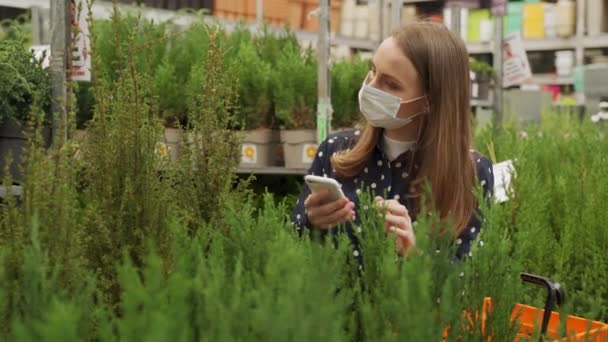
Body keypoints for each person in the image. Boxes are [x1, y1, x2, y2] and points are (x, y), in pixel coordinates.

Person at [292, 22, 494, 261]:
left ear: (431, 100)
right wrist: (310, 221)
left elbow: (469, 281)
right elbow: (293, 250)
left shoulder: (470, 173)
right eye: (373, 71)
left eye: (391, 84)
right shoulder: (336, 151)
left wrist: (414, 254)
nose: (371, 87)